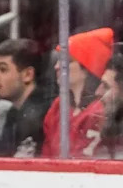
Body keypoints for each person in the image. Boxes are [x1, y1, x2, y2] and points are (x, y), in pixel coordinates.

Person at [0, 39, 50, 158]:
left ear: (27, 75)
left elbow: (11, 173)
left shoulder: (39, 116)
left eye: (3, 69)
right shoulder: (14, 112)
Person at [41, 28, 113, 158]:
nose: (57, 66)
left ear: (87, 68)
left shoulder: (99, 112)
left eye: (66, 61)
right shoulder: (58, 106)